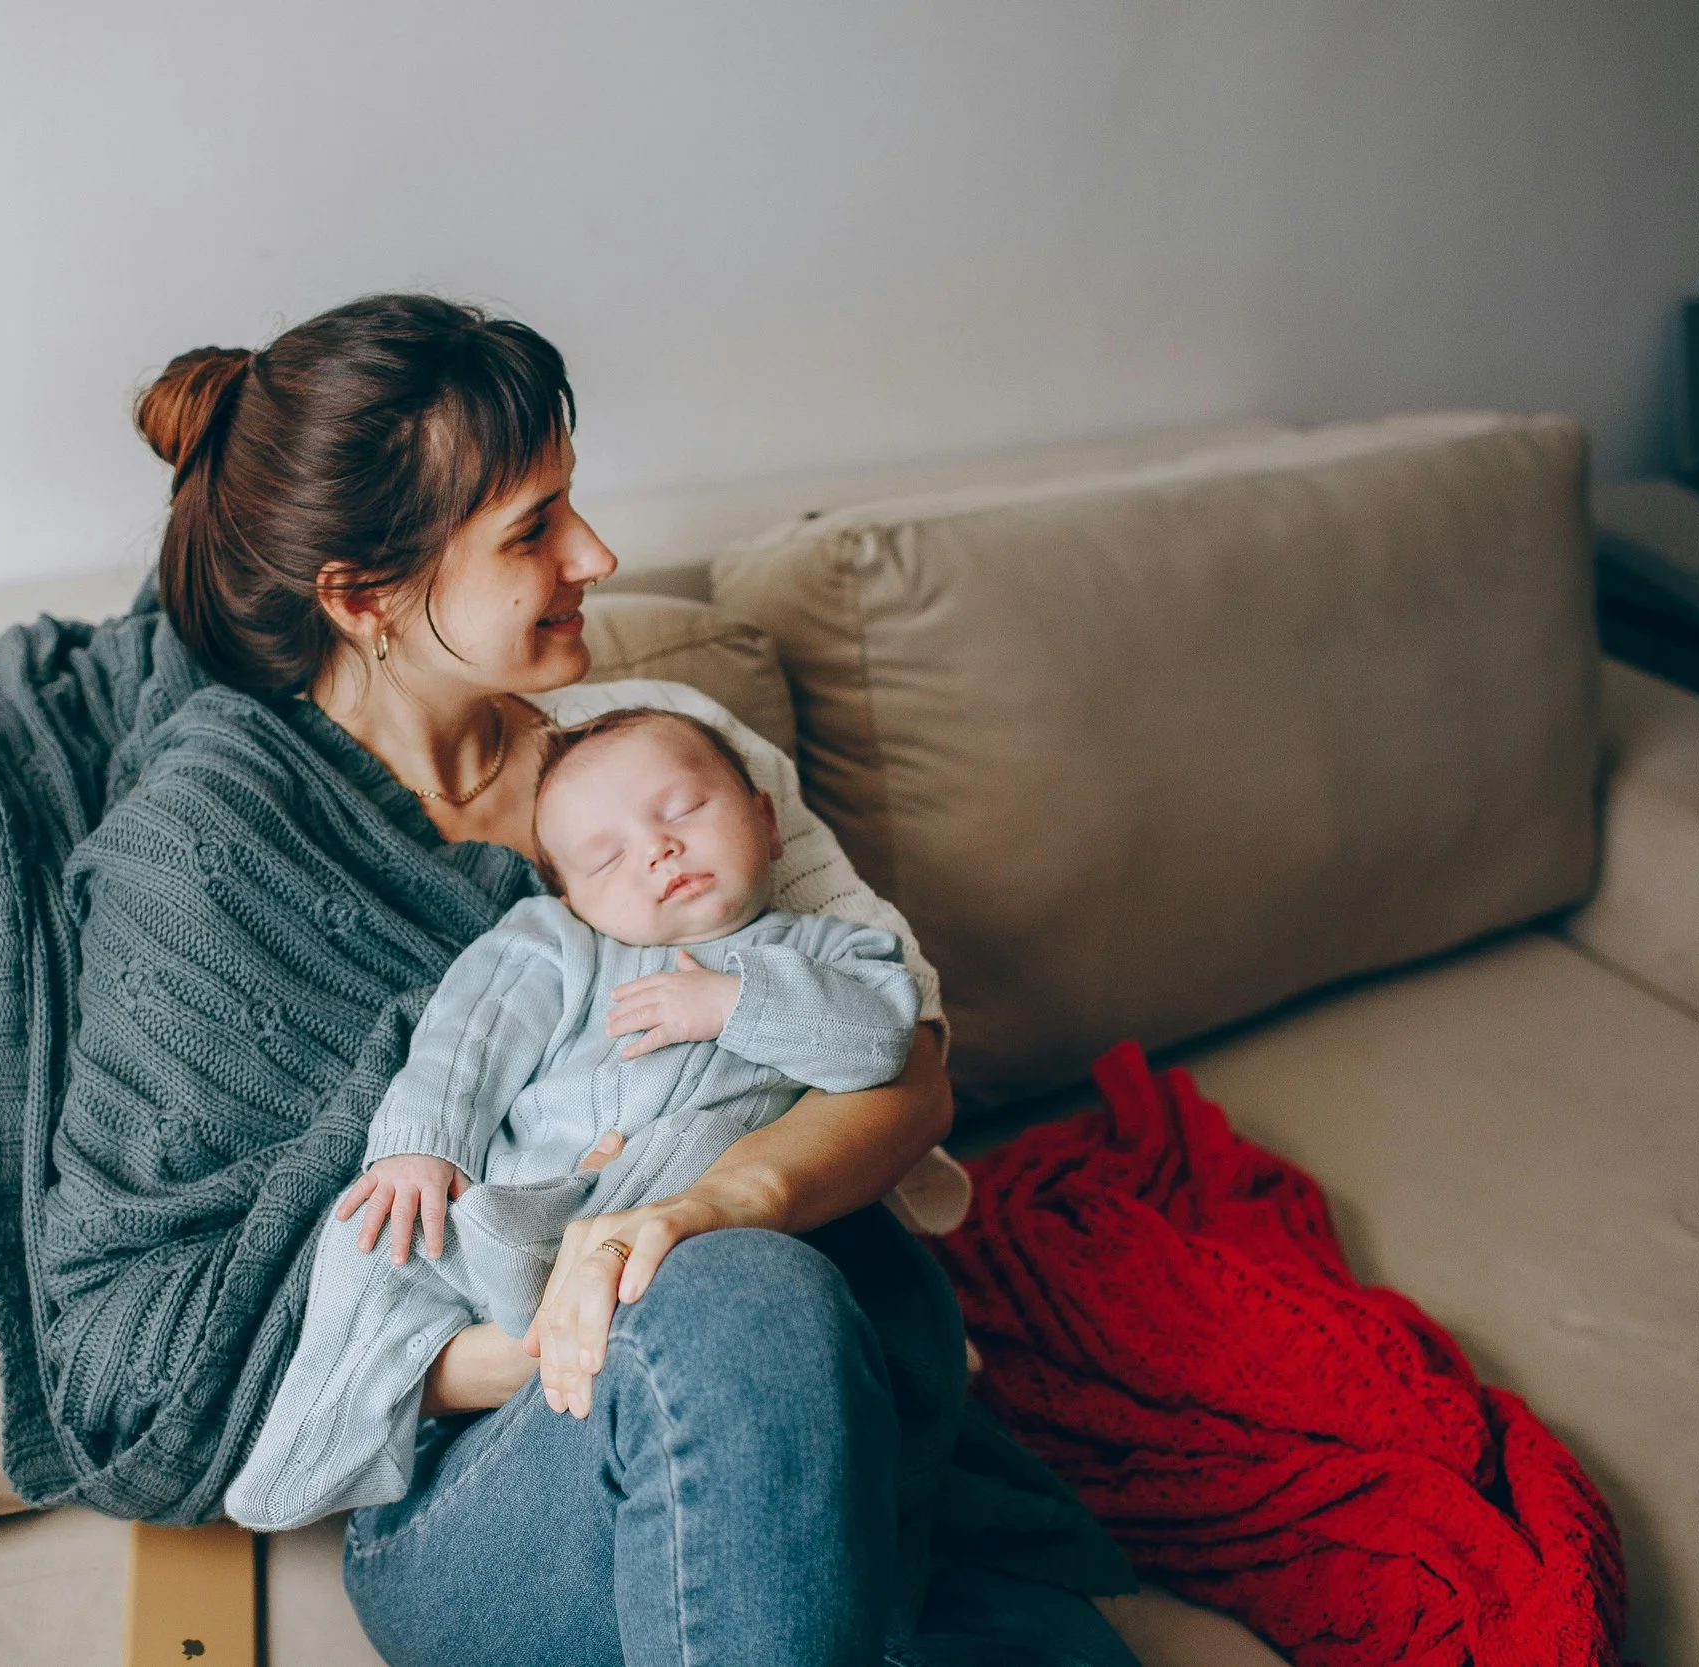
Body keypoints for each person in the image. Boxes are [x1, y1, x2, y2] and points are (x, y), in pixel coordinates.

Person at [123, 294, 1290, 1667]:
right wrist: (580, 1310)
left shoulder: (669, 750)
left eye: (573, 503)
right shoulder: (222, 859)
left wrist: (710, 1205)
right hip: (490, 1475)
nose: (597, 555)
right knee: (736, 1298)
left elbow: (906, 1069)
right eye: (533, 529)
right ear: (362, 595)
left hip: (809, 1391)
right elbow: (188, 1324)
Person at [226, 707, 925, 1531]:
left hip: (654, 1243)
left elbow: (880, 1044)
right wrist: (420, 1147)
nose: (658, 849)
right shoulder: (558, 941)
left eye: (683, 810)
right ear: (574, 894)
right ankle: (321, 1433)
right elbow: (466, 1041)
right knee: (372, 1236)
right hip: (502, 1208)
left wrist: (733, 1003)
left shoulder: (835, 954)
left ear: (767, 822)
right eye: (606, 856)